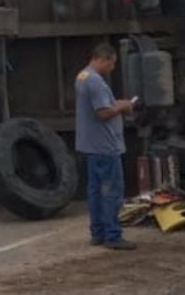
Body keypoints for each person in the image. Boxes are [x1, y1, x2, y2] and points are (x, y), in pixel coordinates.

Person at [74, 43, 136, 250]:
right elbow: (103, 112)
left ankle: (98, 232)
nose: (113, 68)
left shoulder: (82, 76)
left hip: (91, 146)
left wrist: (114, 103)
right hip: (105, 147)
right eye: (112, 64)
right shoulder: (96, 82)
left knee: (95, 192)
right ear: (105, 59)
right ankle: (113, 235)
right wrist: (123, 106)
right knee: (111, 191)